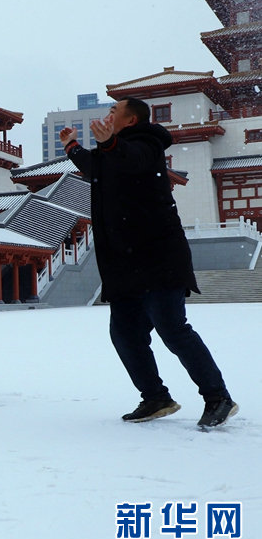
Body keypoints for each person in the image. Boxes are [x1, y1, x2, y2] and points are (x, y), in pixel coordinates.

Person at [60, 97, 238, 428]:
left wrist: (109, 143)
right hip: (125, 263)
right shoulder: (109, 152)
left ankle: (218, 397)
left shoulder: (147, 145)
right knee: (125, 333)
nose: (108, 115)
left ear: (130, 121)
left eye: (114, 111)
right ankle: (155, 397)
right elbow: (94, 165)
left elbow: (131, 160)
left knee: (172, 328)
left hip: (158, 256)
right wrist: (72, 146)